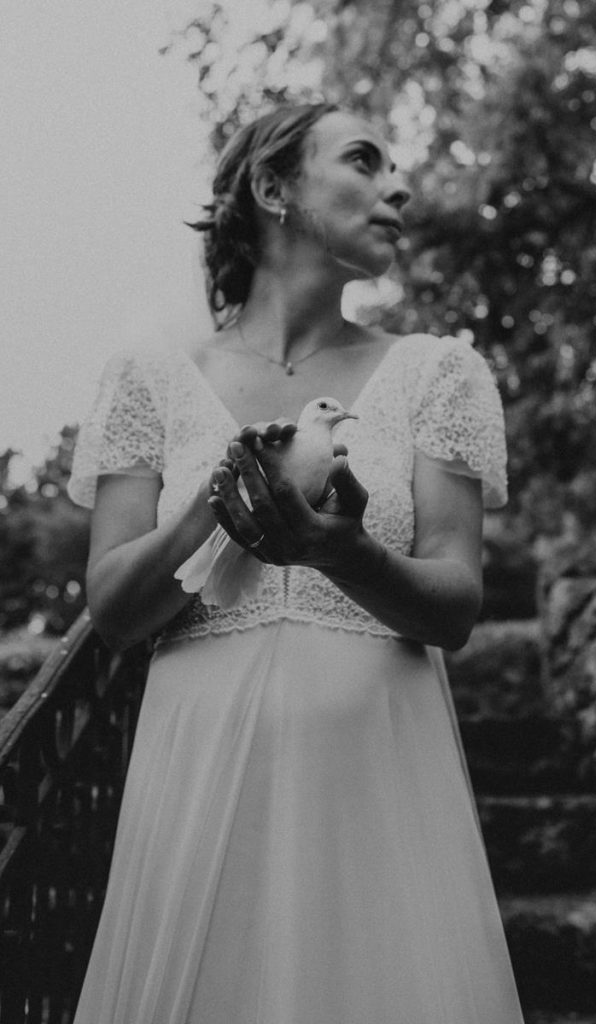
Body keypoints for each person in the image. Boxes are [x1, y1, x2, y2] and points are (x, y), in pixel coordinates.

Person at [68, 101, 524, 1024]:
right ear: (274, 188)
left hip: (378, 771)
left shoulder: (438, 374)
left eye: (396, 167)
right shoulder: (149, 376)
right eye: (365, 159)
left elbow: (454, 605)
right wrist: (219, 497)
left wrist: (341, 551)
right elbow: (114, 610)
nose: (398, 186)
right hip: (195, 777)